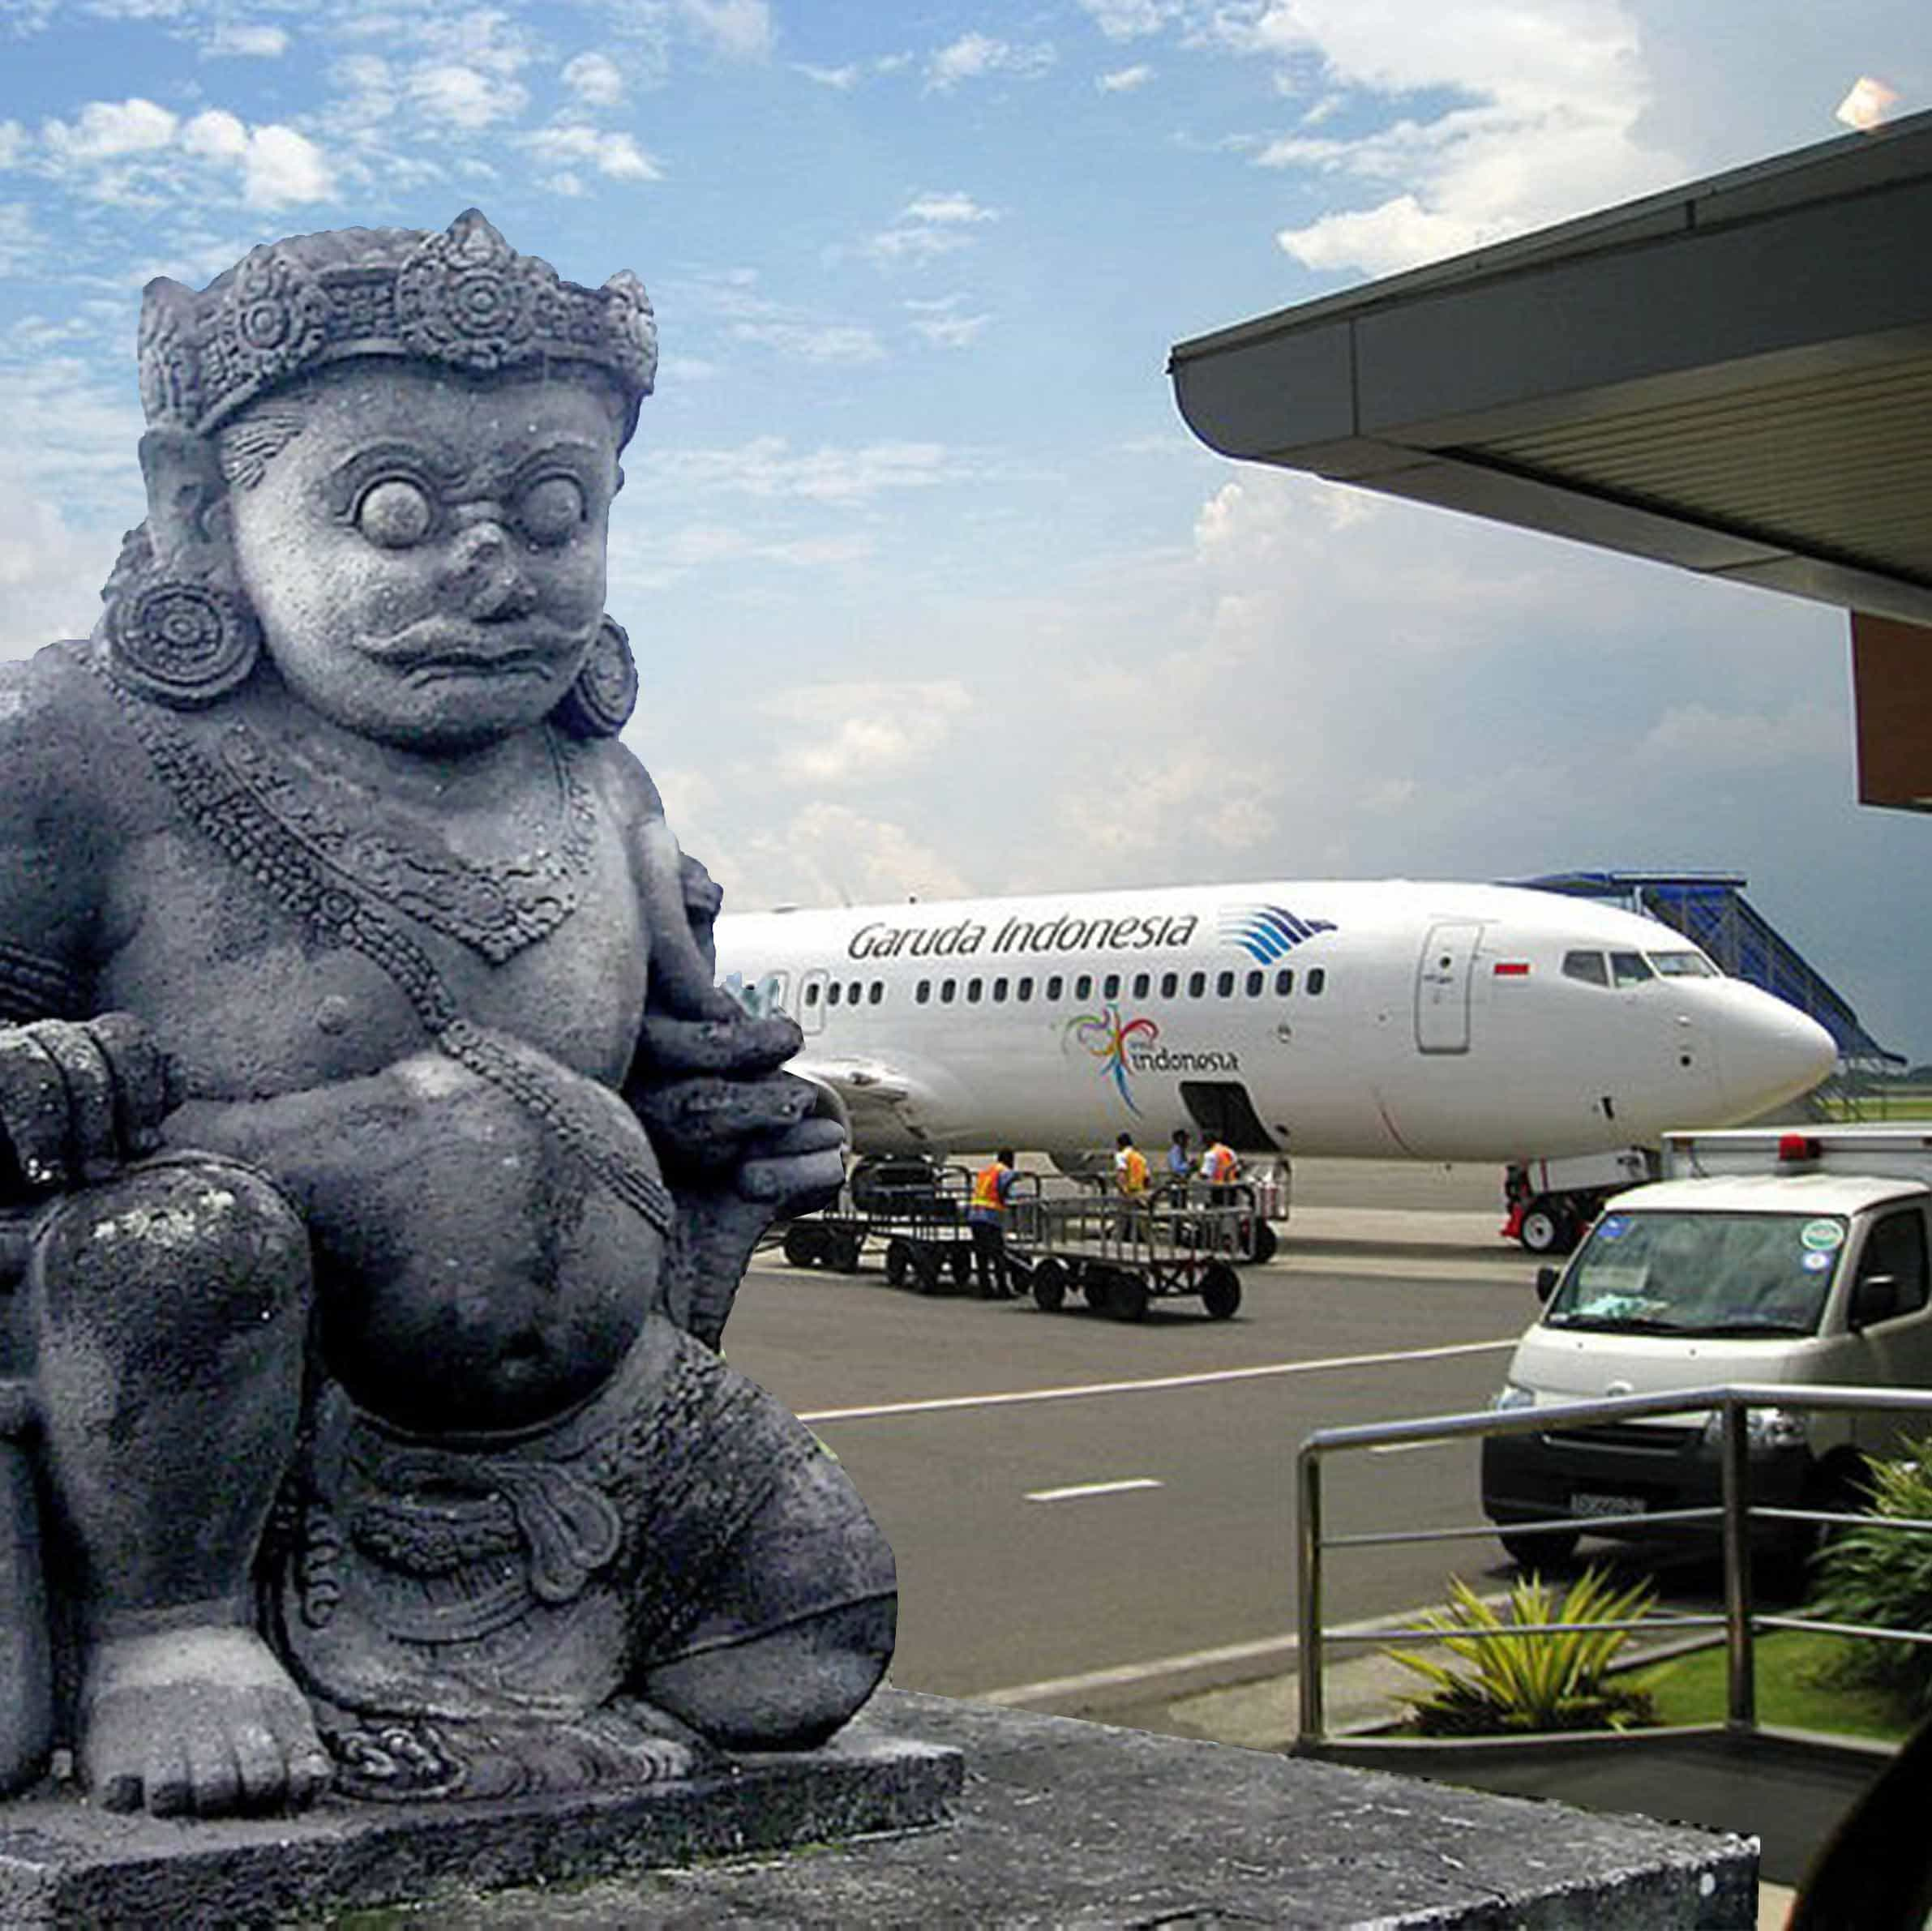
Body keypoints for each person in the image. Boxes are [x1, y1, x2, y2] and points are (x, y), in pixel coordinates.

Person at [0, 212, 894, 1818]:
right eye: (398, 508)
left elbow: (655, 1087)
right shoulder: (79, 750)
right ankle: (166, 1636)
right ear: (203, 510)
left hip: (580, 1414)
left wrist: (730, 1162)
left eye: (553, 510)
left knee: (811, 1635)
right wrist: (31, 1076)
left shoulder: (605, 789)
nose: (488, 569)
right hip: (216, 1418)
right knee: (181, 1241)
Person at [968, 1148, 1019, 1298]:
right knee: (998, 1255)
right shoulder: (1005, 1172)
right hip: (989, 1217)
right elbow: (1006, 1193)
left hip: (974, 1215)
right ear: (1010, 1160)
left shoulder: (986, 1172)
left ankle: (985, 1289)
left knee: (982, 1255)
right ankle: (1002, 1289)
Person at [1201, 1135, 1241, 1207]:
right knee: (1231, 1209)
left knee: (1219, 1209)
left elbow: (1205, 1174)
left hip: (1218, 1187)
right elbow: (1238, 1169)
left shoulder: (1210, 1154)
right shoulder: (1229, 1151)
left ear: (1208, 1142)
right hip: (1231, 1186)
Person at [1166, 1127, 1193, 1201]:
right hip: (1177, 1183)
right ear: (1180, 1139)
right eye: (1186, 1139)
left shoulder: (1181, 1151)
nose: (1188, 1142)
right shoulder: (1176, 1151)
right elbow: (1176, 1168)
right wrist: (1189, 1165)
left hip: (1182, 1182)